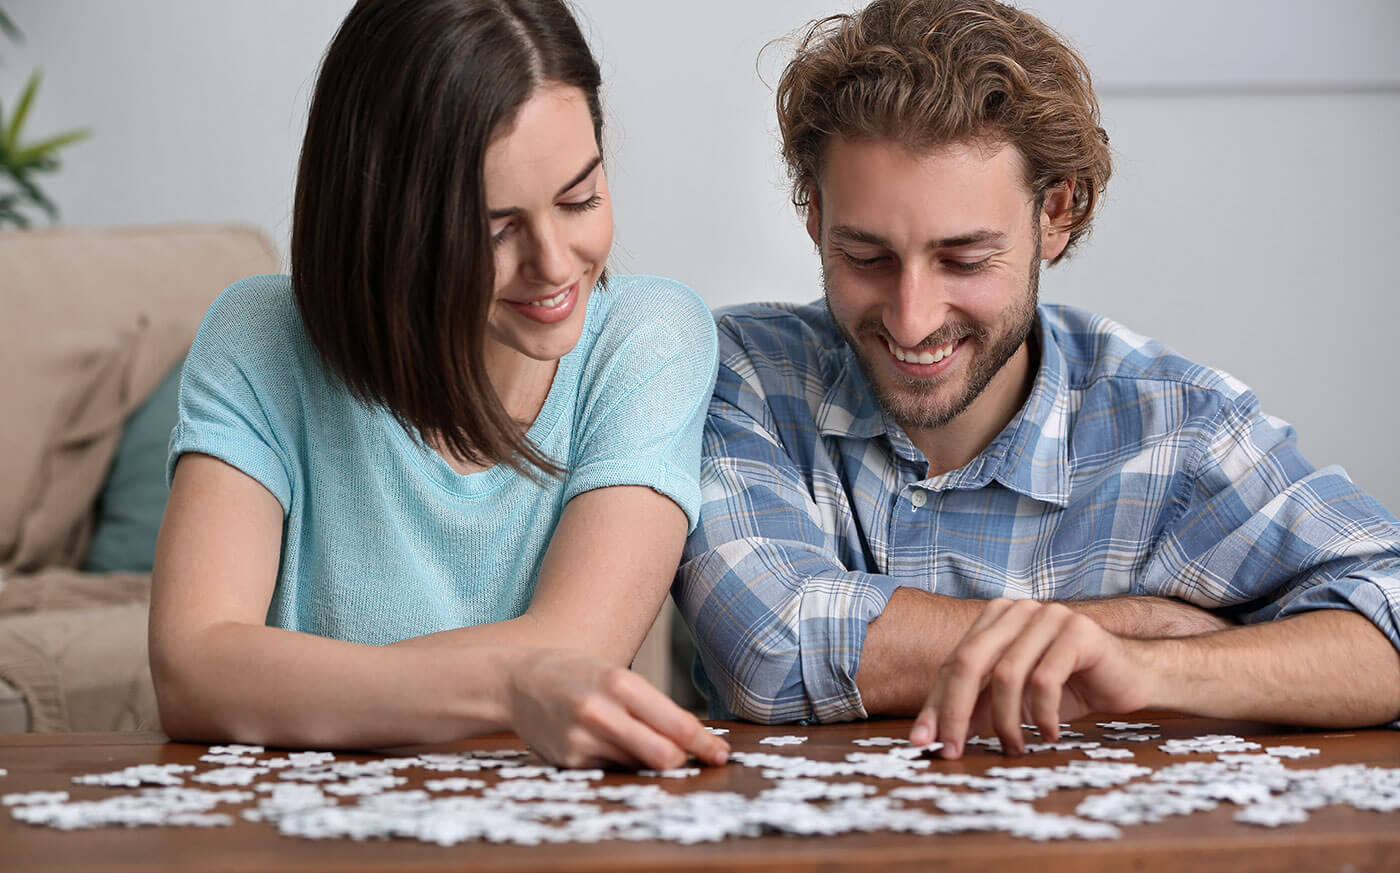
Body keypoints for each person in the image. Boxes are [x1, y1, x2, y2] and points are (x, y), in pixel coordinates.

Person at [675, 0, 1400, 757]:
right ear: (816, 215)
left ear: (1055, 214)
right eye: (867, 257)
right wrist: (1139, 623)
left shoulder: (1175, 424)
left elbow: (1389, 614)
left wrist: (1151, 669)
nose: (913, 318)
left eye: (964, 259)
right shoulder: (741, 374)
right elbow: (772, 645)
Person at [149, 0, 728, 771]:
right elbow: (193, 669)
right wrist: (515, 676)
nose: (555, 264)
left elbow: (576, 648)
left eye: (580, 197)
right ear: (387, 222)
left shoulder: (650, 337)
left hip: (544, 850)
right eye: (494, 229)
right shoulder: (260, 337)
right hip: (296, 847)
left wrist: (291, 682)